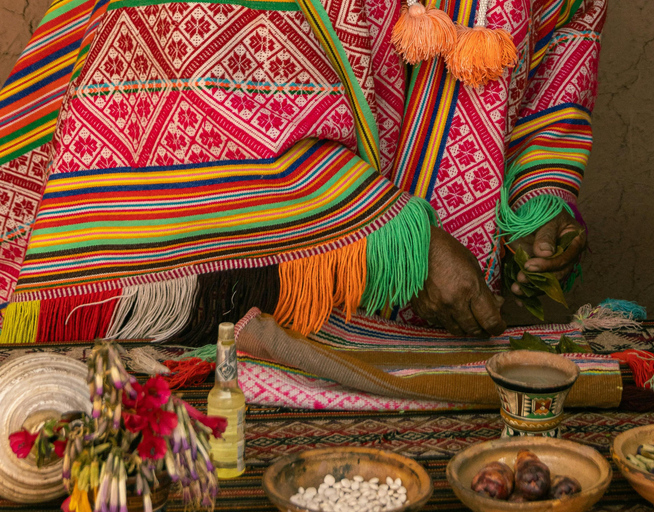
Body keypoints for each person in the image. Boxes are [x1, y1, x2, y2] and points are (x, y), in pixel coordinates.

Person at [0, 0, 603, 344]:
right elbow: (214, 86)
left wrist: (540, 200)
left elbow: (562, 48)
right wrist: (398, 245)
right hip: (275, 301)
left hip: (453, 325)